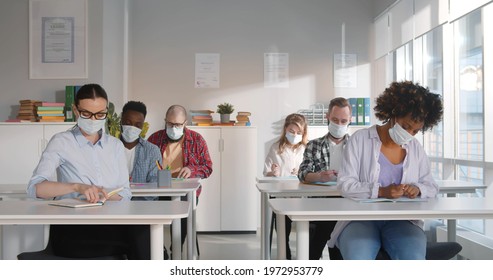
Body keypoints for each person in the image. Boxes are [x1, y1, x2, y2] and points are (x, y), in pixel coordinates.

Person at [27, 83, 150, 259]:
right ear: (75, 110)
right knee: (139, 243)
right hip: (75, 227)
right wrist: (77, 187)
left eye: (100, 114)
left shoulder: (115, 145)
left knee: (145, 232)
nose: (93, 119)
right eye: (86, 113)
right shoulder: (62, 142)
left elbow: (126, 193)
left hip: (112, 223)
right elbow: (35, 188)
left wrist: (106, 193)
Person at [329, 81, 443, 260]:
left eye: (415, 131)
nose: (409, 134)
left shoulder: (415, 148)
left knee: (413, 258)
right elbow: (345, 184)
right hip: (360, 219)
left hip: (402, 221)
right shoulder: (360, 140)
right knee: (358, 258)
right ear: (393, 114)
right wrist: (381, 191)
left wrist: (419, 188)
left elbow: (432, 186)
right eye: (405, 126)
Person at [147, 104, 212, 249]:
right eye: (170, 123)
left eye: (177, 124)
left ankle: (175, 249)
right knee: (146, 208)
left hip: (185, 191)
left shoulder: (197, 140)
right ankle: (159, 249)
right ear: (165, 120)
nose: (173, 128)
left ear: (185, 123)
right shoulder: (155, 138)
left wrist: (192, 169)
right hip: (159, 189)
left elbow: (208, 167)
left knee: (181, 211)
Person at [298, 97, 351, 260]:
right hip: (320, 203)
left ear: (350, 121)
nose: (339, 124)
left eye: (343, 121)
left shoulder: (356, 145)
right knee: (314, 248)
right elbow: (303, 173)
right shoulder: (314, 145)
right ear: (327, 117)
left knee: (340, 250)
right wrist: (320, 176)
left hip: (346, 202)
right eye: (335, 120)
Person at [263, 113, 308, 259]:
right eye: (292, 131)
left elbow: (314, 171)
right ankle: (285, 255)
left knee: (306, 226)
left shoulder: (306, 148)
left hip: (301, 196)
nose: (295, 135)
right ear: (285, 130)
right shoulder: (276, 147)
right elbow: (266, 172)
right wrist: (273, 172)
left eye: (299, 133)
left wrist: (301, 171)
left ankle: (306, 255)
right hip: (281, 194)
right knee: (283, 226)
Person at [119, 101, 162, 201]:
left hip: (143, 205)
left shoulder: (152, 151)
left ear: (142, 125)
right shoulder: (110, 148)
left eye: (137, 125)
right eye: (128, 123)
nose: (132, 128)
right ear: (121, 119)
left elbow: (154, 185)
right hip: (115, 203)